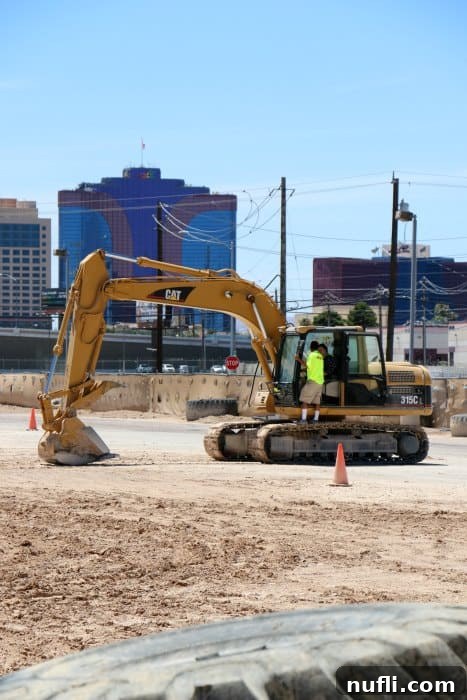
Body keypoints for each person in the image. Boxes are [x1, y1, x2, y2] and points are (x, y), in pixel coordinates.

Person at [294, 342, 327, 422]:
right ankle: (315, 419)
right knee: (317, 402)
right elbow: (315, 367)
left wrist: (298, 359)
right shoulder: (320, 356)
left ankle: (304, 419)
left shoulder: (312, 355)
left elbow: (308, 365)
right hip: (320, 382)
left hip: (313, 381)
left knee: (304, 400)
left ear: (311, 348)